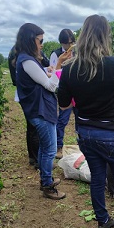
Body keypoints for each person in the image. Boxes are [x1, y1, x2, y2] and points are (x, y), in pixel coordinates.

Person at [57, 14, 114, 228]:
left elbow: (63, 104)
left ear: (83, 35)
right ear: (104, 36)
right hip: (113, 135)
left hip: (86, 134)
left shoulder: (69, 69)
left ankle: (103, 221)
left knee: (97, 177)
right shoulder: (113, 63)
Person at [14, 23, 70, 200]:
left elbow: (41, 78)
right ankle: (47, 185)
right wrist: (59, 64)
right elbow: (51, 86)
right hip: (40, 111)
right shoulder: (28, 61)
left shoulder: (26, 59)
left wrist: (49, 70)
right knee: (50, 149)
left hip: (39, 109)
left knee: (45, 147)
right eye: (40, 40)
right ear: (31, 40)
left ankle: (46, 178)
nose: (42, 44)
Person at [8, 45, 50, 169]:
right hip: (29, 94)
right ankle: (36, 158)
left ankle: (34, 156)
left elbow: (45, 63)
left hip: (25, 92)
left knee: (32, 126)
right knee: (34, 127)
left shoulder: (18, 52)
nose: (41, 43)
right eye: (39, 40)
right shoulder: (25, 56)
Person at [50, 29, 77, 159]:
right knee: (62, 120)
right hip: (65, 91)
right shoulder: (56, 55)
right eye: (68, 43)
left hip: (77, 91)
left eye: (72, 42)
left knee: (80, 119)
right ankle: (58, 146)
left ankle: (83, 146)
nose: (71, 45)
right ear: (62, 43)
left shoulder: (77, 53)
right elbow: (53, 73)